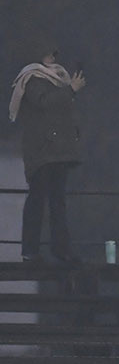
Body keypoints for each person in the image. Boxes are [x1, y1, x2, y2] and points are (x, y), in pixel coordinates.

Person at [8, 40, 85, 265]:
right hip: (42, 152)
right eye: (50, 54)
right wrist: (70, 90)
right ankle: (31, 251)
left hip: (57, 152)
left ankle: (60, 249)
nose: (53, 58)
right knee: (39, 200)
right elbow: (45, 102)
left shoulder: (56, 79)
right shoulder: (31, 77)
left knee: (57, 202)